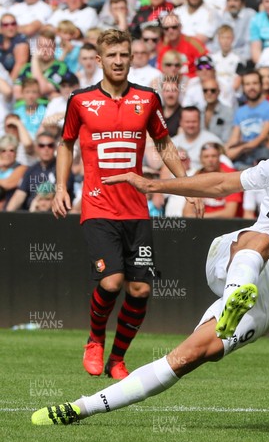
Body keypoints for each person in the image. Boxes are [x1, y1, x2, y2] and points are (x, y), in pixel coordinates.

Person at [31, 109, 269, 426]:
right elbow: (220, 184)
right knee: (262, 240)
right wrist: (154, 185)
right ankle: (235, 297)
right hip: (233, 258)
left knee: (188, 356)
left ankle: (80, 408)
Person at [48, 29, 202, 380]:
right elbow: (65, 144)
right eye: (112, 55)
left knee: (141, 289)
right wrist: (60, 187)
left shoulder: (147, 99)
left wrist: (187, 186)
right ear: (99, 60)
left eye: (124, 55)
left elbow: (163, 144)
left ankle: (117, 359)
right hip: (98, 207)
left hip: (136, 209)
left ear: (132, 58)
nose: (118, 61)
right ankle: (94, 340)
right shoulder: (80, 101)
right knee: (112, 282)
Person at [6, 130, 73, 210]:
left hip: (55, 214)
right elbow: (19, 195)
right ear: (36, 148)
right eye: (42, 145)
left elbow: (62, 188)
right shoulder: (31, 170)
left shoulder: (62, 168)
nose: (46, 149)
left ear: (55, 148)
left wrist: (38, 199)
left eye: (50, 145)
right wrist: (6, 217)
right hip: (32, 214)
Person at [225, 70, 269, 169]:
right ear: (243, 88)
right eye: (247, 84)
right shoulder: (240, 111)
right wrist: (225, 150)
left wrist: (241, 148)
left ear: (261, 85)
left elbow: (261, 138)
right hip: (244, 156)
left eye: (255, 83)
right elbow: (234, 138)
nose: (251, 87)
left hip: (263, 154)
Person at [183, 142, 242, 218]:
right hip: (204, 224)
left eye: (213, 156)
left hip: (227, 224)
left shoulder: (230, 176)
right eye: (206, 157)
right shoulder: (197, 176)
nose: (210, 160)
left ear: (219, 157)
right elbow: (186, 212)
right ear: (200, 159)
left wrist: (200, 217)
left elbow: (229, 213)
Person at [0, 133, 27, 210]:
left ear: (16, 153)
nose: (8, 154)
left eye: (11, 150)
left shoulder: (21, 168)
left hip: (9, 209)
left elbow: (7, 184)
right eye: (4, 150)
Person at [0, 13, 29, 80]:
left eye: (13, 24)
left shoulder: (21, 41)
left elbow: (20, 65)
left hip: (16, 81)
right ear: (1, 28)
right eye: (6, 25)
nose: (10, 28)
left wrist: (6, 87)